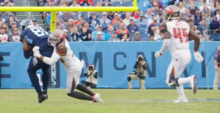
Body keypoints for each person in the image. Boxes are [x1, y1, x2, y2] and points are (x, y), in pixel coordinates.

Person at [32, 29, 103, 103]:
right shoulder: (62, 41)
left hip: (73, 68)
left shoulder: (61, 48)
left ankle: (93, 99)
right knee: (76, 84)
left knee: (70, 92)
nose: (52, 40)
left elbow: (51, 61)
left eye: (54, 39)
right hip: (76, 64)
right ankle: (94, 95)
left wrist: (38, 55)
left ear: (59, 40)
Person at [155, 5, 204, 103]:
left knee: (170, 81)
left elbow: (167, 42)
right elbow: (197, 38)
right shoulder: (184, 24)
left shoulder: (166, 25)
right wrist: (196, 51)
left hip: (178, 55)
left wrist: (160, 53)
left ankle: (190, 79)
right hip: (187, 54)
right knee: (175, 76)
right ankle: (182, 98)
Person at [20, 19, 53, 103]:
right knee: (45, 68)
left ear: (24, 27)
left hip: (42, 51)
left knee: (30, 71)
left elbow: (26, 48)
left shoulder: (24, 32)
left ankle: (40, 94)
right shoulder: (40, 28)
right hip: (51, 51)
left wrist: (27, 54)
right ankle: (45, 91)